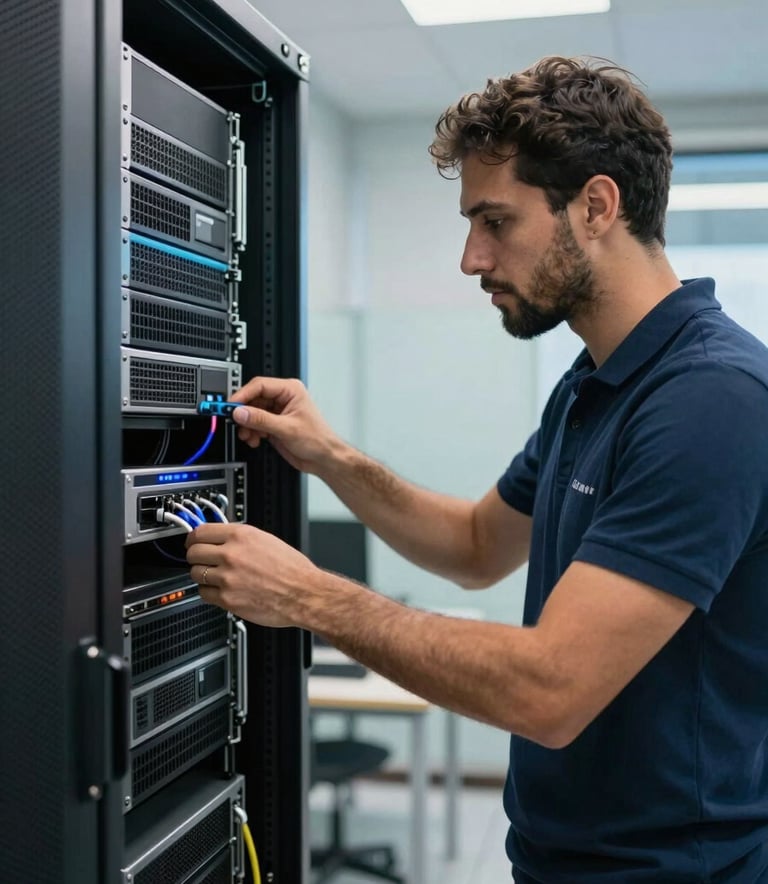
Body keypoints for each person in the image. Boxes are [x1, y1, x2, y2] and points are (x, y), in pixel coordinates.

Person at [186, 56, 768, 881]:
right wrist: (332, 458)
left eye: (495, 221)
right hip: (559, 858)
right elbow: (473, 546)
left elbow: (551, 691)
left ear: (597, 206)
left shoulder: (711, 399)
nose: (471, 258)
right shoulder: (592, 385)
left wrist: (308, 597)